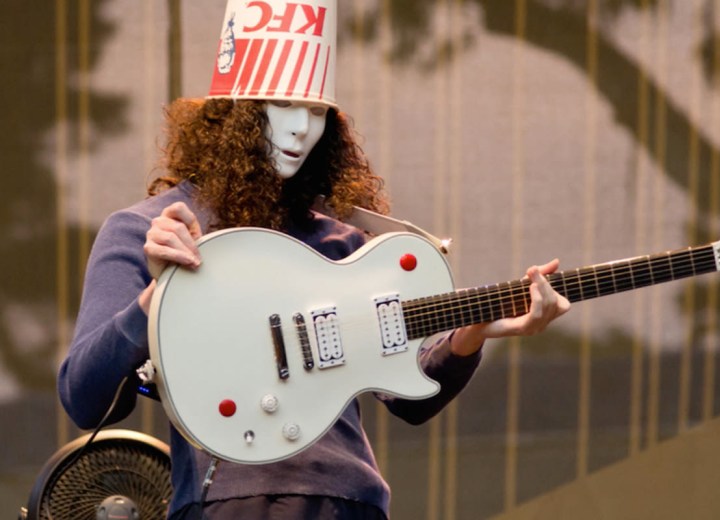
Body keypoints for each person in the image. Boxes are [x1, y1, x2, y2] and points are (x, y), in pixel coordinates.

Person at [57, 2, 570, 519]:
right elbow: (84, 395)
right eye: (282, 104)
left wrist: (472, 332)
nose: (302, 128)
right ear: (234, 113)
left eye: (319, 111)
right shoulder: (146, 230)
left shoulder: (341, 240)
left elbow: (410, 398)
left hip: (352, 501)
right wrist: (154, 298)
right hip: (229, 502)